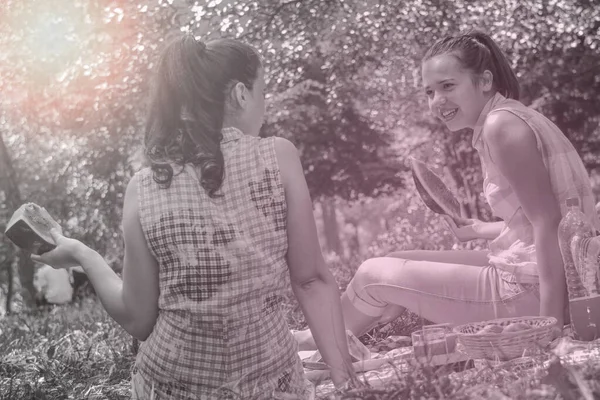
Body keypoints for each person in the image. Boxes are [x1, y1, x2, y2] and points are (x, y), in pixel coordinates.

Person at [31, 35, 355, 399]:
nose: (265, 104)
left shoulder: (143, 187)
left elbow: (138, 319)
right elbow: (311, 281)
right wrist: (346, 383)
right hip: (273, 385)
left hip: (168, 388)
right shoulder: (279, 157)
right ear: (240, 95)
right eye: (263, 93)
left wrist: (81, 254)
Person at [295, 30, 600, 350]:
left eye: (447, 86)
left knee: (373, 274)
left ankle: (313, 342)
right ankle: (342, 335)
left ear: (484, 81)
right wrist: (480, 229)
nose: (437, 102)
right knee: (398, 257)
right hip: (551, 274)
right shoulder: (514, 116)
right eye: (429, 92)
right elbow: (543, 217)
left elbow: (549, 222)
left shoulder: (501, 126)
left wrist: (546, 325)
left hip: (535, 292)